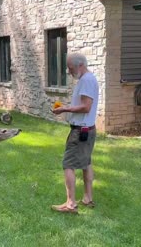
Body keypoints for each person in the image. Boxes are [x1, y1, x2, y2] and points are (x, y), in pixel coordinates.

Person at [51, 52, 99, 214]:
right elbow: (83, 105)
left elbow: (86, 107)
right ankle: (87, 198)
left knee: (68, 164)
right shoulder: (88, 79)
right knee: (86, 163)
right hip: (88, 129)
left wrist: (64, 108)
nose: (69, 71)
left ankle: (70, 203)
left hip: (80, 132)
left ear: (80, 65)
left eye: (70, 68)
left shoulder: (86, 80)